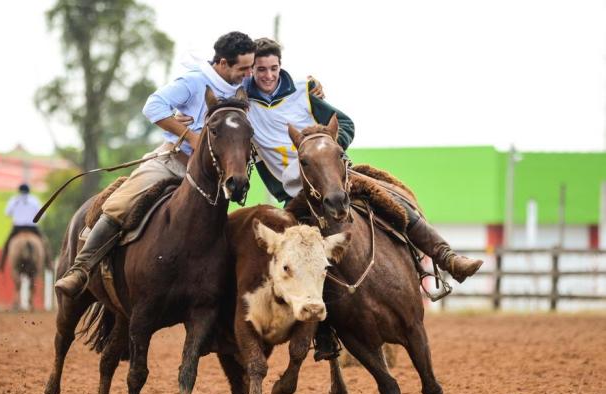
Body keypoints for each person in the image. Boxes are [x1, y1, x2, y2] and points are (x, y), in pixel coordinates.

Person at [244, 38, 483, 360]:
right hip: (294, 194)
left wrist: (324, 151)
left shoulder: (303, 89)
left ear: (280, 65)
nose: (268, 75)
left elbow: (344, 123)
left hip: (332, 178)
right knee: (299, 262)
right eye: (261, 69)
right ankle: (323, 333)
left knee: (385, 195)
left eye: (273, 68)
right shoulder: (243, 101)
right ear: (251, 69)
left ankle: (447, 257)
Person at [54, 31, 258, 297]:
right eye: (243, 68)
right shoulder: (193, 81)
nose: (249, 73)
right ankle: (81, 269)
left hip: (215, 176)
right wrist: (191, 137)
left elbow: (273, 79)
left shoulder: (243, 81)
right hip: (174, 161)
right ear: (222, 63)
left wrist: (310, 86)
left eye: (250, 67)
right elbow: (153, 106)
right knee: (120, 204)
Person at [0, 183, 51, 271]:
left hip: (17, 228)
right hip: (32, 228)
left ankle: (1, 265)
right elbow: (43, 215)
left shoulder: (14, 200)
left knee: (6, 245)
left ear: (19, 191)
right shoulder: (34, 200)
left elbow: (7, 213)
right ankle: (49, 264)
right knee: (44, 243)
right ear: (28, 191)